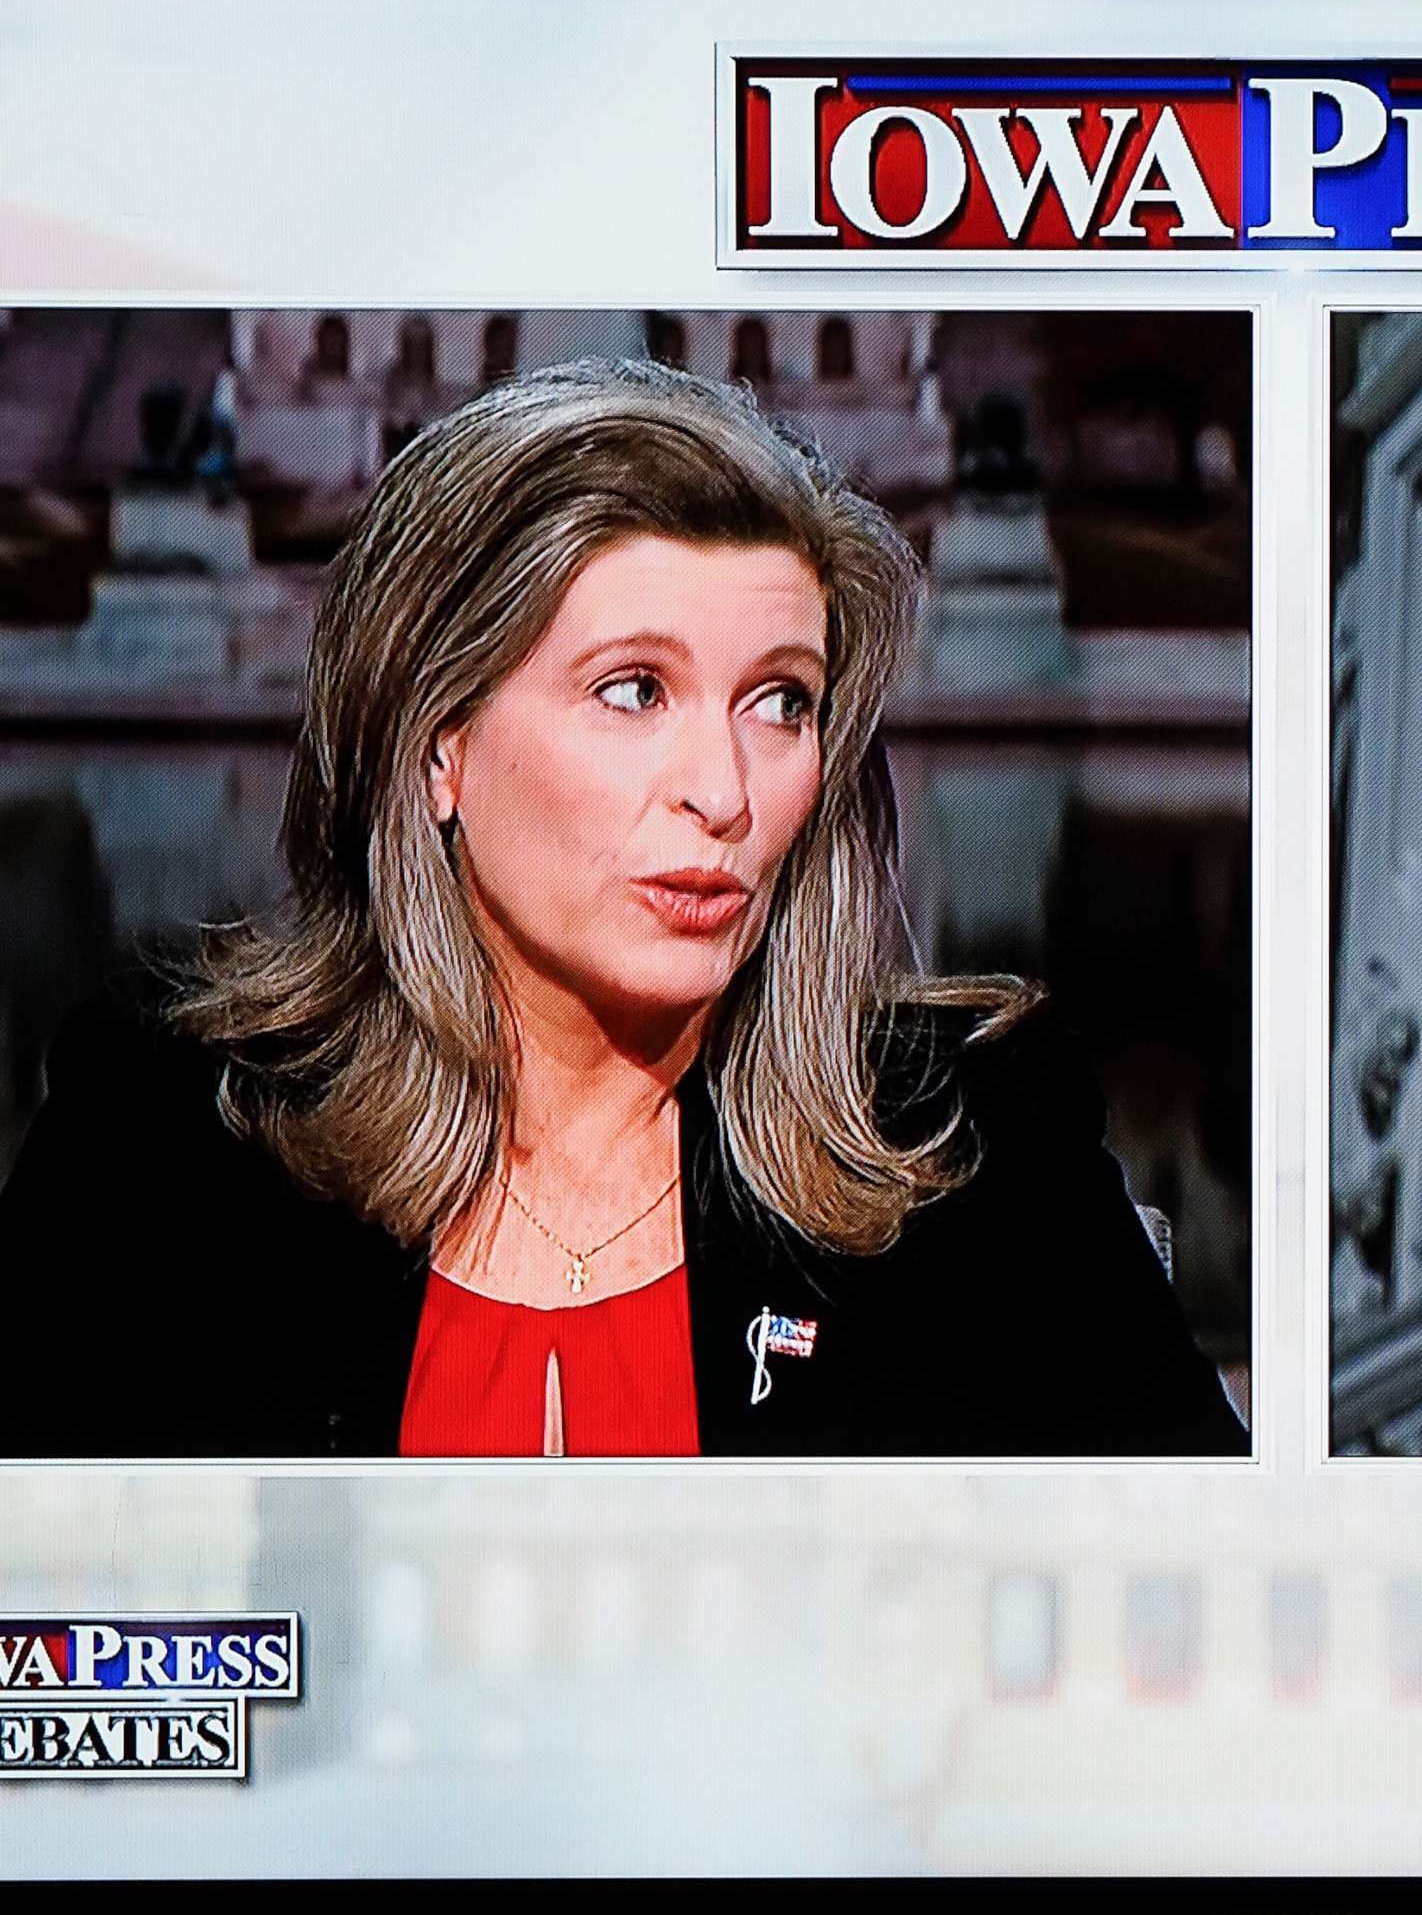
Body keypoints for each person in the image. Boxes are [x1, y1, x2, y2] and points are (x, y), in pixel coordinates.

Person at [0, 359, 1247, 1460]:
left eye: (782, 704)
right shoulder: (165, 1138)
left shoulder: (976, 1151)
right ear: (440, 742)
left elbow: (1193, 1637)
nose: (723, 792)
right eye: (634, 690)